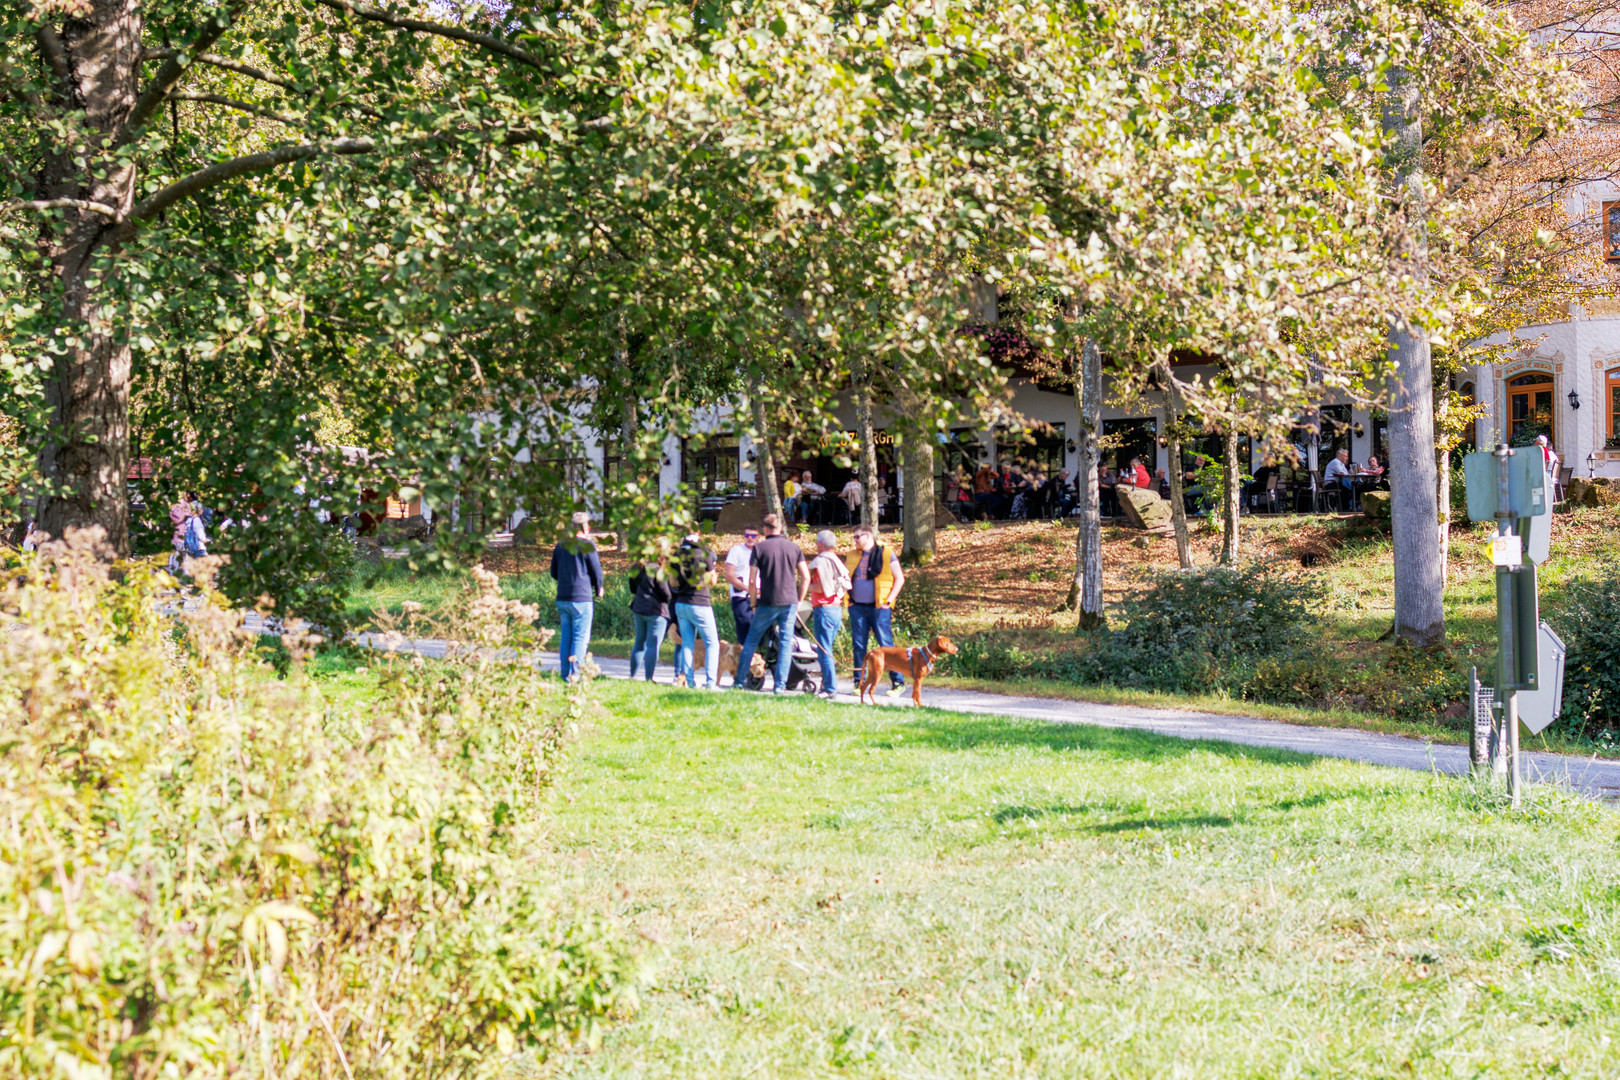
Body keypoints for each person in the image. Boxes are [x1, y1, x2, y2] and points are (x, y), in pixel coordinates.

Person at [733, 513, 810, 693]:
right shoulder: (794, 547)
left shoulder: (759, 549)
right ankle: (780, 686)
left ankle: (739, 681)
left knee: (751, 641)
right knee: (785, 643)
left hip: (767, 602)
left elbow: (752, 581)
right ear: (781, 528)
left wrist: (753, 604)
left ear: (765, 529)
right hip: (789, 602)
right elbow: (805, 576)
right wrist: (799, 600)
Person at [844, 523, 907, 698]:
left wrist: (889, 600)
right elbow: (844, 578)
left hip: (879, 607)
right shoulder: (851, 556)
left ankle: (898, 683)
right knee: (858, 645)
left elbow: (899, 579)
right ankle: (859, 682)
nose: (855, 540)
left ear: (868, 536)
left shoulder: (886, 553)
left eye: (858, 536)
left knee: (886, 645)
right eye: (854, 537)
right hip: (857, 606)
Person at [549, 511, 604, 681]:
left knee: (567, 636)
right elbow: (596, 570)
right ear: (585, 527)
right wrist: (599, 587)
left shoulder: (560, 545)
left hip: (563, 596)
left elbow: (554, 572)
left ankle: (565, 673)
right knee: (580, 637)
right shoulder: (588, 545)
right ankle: (576, 674)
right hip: (581, 597)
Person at [807, 529, 852, 698]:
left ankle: (830, 689)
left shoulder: (821, 561)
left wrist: (805, 586)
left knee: (824, 650)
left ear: (820, 544)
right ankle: (826, 684)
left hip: (823, 609)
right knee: (828, 649)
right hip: (835, 609)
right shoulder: (837, 560)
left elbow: (820, 587)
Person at [673, 528, 720, 689]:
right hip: (700, 603)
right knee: (712, 643)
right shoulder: (704, 552)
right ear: (699, 533)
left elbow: (673, 582)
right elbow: (713, 580)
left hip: (681, 603)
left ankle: (690, 682)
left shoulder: (677, 554)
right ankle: (711, 683)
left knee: (687, 643)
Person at [628, 544, 673, 682]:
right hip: (656, 611)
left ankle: (633, 675)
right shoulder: (658, 571)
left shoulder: (637, 568)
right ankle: (649, 678)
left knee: (639, 642)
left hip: (639, 608)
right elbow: (665, 593)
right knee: (653, 645)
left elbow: (632, 588)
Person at [721, 526, 762, 647]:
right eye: (747, 535)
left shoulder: (761, 551)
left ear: (759, 537)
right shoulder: (737, 550)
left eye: (753, 535)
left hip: (760, 596)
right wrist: (748, 588)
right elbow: (729, 575)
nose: (750, 538)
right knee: (745, 629)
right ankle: (743, 661)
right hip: (741, 596)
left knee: (760, 631)